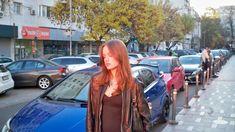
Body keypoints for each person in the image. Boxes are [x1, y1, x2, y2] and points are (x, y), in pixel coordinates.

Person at [86, 39, 150, 132]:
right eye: (104, 56)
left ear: (120, 55)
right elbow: (90, 114)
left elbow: (145, 117)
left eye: (110, 55)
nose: (106, 59)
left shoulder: (133, 85)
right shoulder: (96, 81)